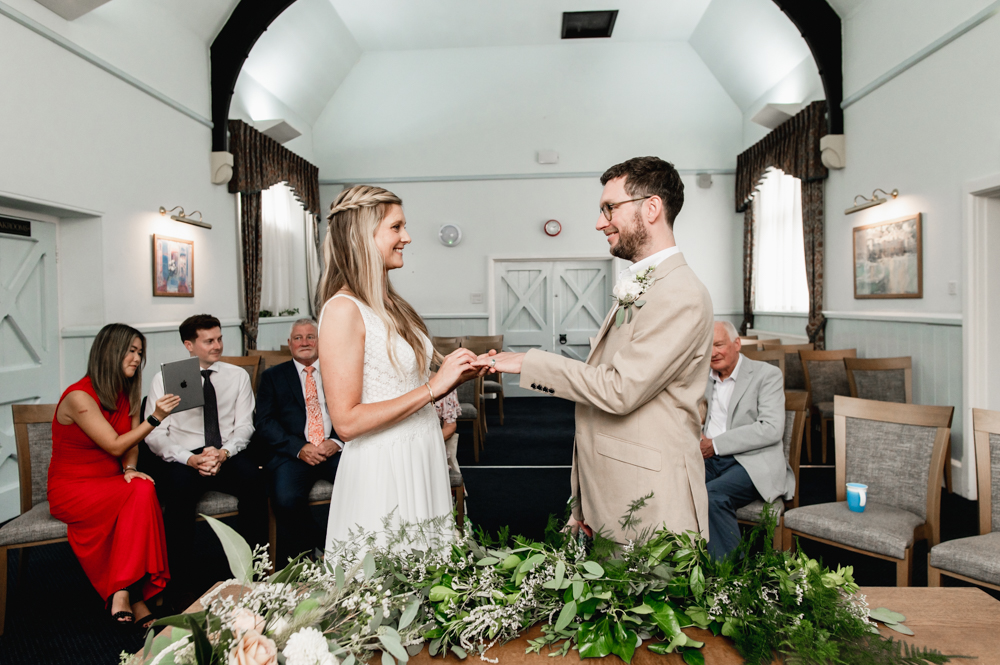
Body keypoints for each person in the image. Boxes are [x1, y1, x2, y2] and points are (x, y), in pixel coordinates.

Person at [474, 157, 714, 544]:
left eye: (609, 208)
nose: (600, 222)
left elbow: (620, 391)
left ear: (651, 208)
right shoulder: (649, 284)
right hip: (617, 483)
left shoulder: (679, 292)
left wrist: (528, 362)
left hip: (651, 498)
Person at [318, 185, 478, 551]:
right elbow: (346, 423)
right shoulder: (343, 310)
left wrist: (457, 373)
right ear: (363, 234)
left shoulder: (389, 304)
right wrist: (434, 388)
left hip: (420, 450)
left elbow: (405, 380)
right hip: (384, 465)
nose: (406, 237)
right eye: (396, 227)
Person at [48, 323, 179, 628]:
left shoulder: (127, 391)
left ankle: (127, 591)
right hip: (73, 488)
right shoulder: (78, 396)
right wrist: (156, 417)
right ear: (110, 352)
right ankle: (132, 594)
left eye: (140, 352)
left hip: (112, 481)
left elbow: (130, 444)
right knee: (141, 494)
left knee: (143, 488)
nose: (137, 358)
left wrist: (130, 469)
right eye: (131, 351)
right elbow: (114, 443)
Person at [144, 314, 267, 593]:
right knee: (178, 492)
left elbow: (246, 425)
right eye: (209, 341)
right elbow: (154, 434)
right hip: (184, 457)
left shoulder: (236, 376)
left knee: (256, 482)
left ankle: (253, 573)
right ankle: (181, 584)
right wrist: (189, 458)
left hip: (225, 451)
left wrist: (224, 452)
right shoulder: (166, 379)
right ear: (189, 345)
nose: (217, 345)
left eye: (220, 338)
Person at [700, 321, 791, 559]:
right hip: (708, 457)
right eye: (706, 346)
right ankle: (684, 564)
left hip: (751, 461)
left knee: (712, 495)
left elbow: (771, 428)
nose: (712, 352)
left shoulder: (766, 375)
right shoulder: (701, 378)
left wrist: (716, 444)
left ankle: (730, 578)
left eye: (718, 344)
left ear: (737, 343)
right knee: (674, 484)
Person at [255, 318, 342, 561]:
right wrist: (299, 447)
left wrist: (336, 441)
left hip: (335, 449)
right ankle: (322, 548)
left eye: (310, 337)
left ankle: (363, 546)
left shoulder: (338, 371)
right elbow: (264, 422)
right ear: (289, 344)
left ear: (320, 341)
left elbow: (355, 409)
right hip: (293, 454)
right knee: (285, 498)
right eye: (298, 338)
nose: (304, 342)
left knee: (364, 482)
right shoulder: (272, 377)